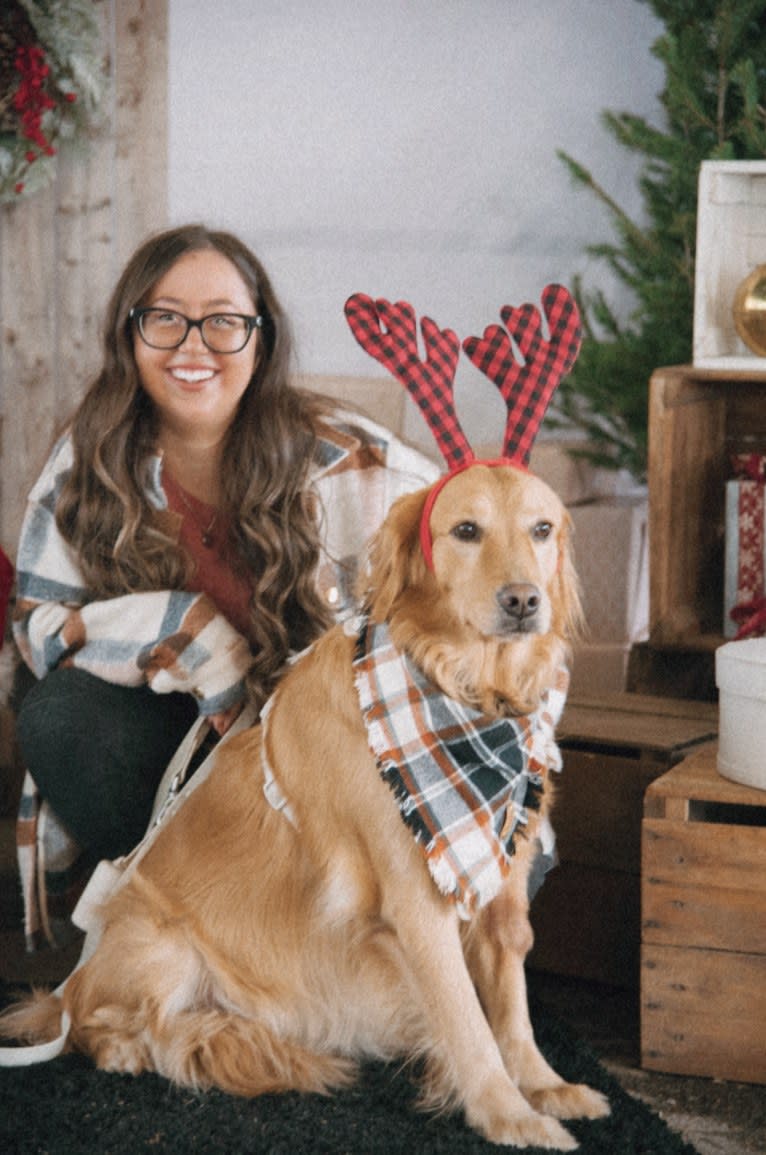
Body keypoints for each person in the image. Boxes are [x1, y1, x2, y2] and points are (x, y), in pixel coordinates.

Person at [12, 224, 439, 945]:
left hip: (328, 755)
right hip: (182, 759)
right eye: (165, 318)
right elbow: (39, 626)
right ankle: (196, 921)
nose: (192, 345)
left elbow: (465, 552)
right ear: (131, 335)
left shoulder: (348, 462)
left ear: (260, 341)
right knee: (57, 716)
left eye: (223, 322)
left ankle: (315, 931)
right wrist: (191, 632)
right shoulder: (90, 458)